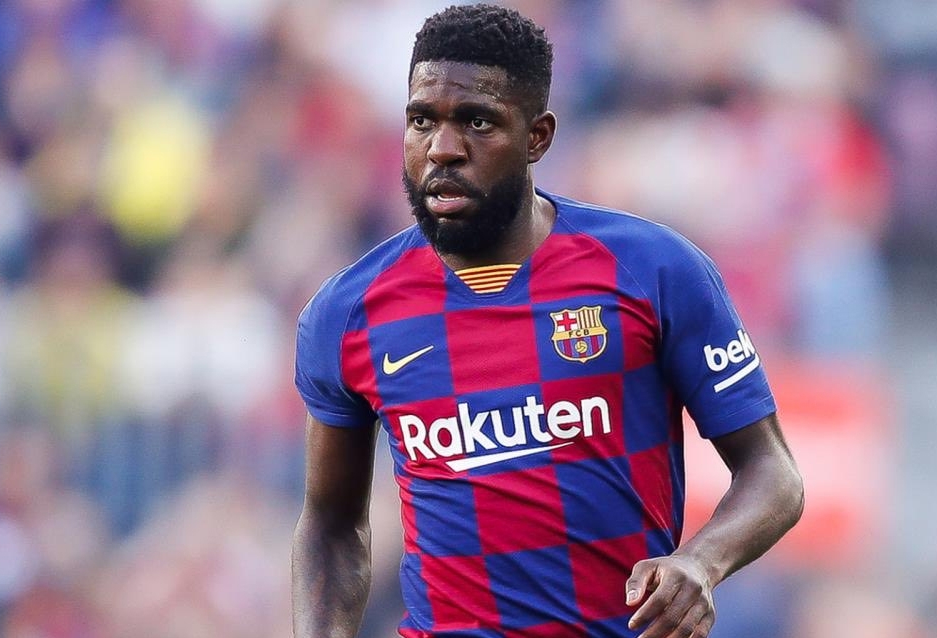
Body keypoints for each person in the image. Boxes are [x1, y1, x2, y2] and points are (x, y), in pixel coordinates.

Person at [292, 4, 804, 638]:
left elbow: (772, 473)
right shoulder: (347, 313)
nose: (443, 148)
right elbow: (330, 525)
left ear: (537, 137)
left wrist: (701, 561)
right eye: (422, 120)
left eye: (477, 121)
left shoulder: (653, 270)